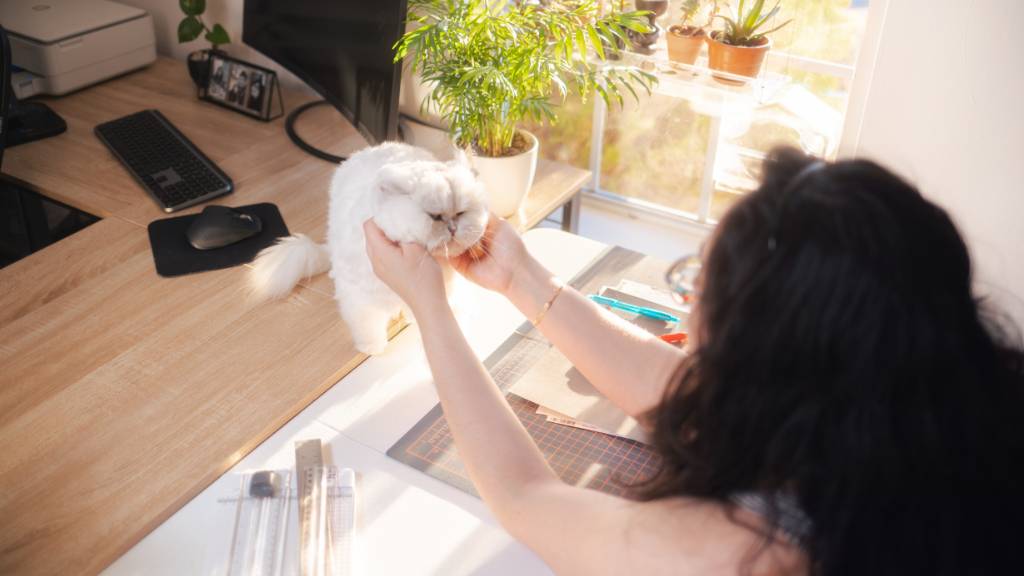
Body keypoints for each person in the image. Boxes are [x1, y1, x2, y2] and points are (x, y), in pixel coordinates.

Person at [364, 147, 1023, 575]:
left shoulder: (738, 556)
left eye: (700, 289)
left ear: (767, 362)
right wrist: (521, 278)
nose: (686, 307)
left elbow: (526, 497)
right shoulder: (931, 406)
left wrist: (430, 308)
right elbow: (682, 393)